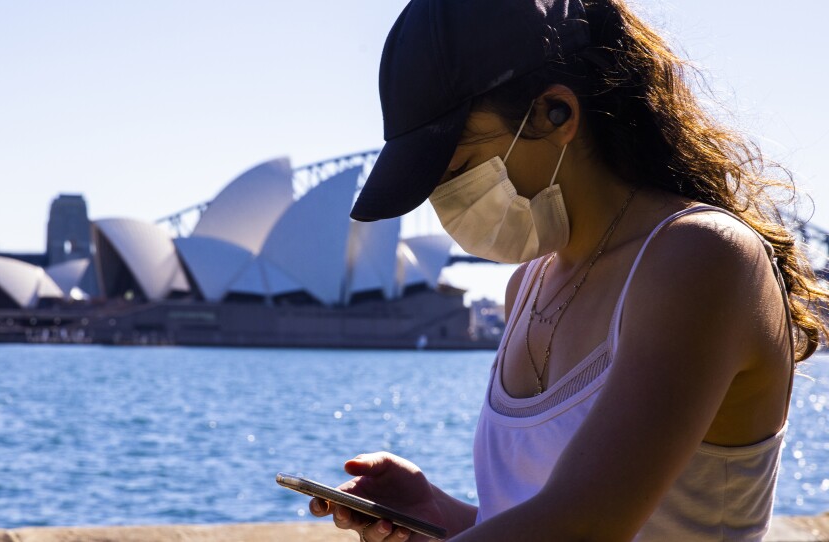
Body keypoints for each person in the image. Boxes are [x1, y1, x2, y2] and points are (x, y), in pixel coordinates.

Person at [310, 0, 828, 540]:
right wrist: (434, 514)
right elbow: (540, 514)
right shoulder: (527, 287)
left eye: (456, 167)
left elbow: (584, 524)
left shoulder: (700, 259)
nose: (441, 201)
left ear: (555, 113)